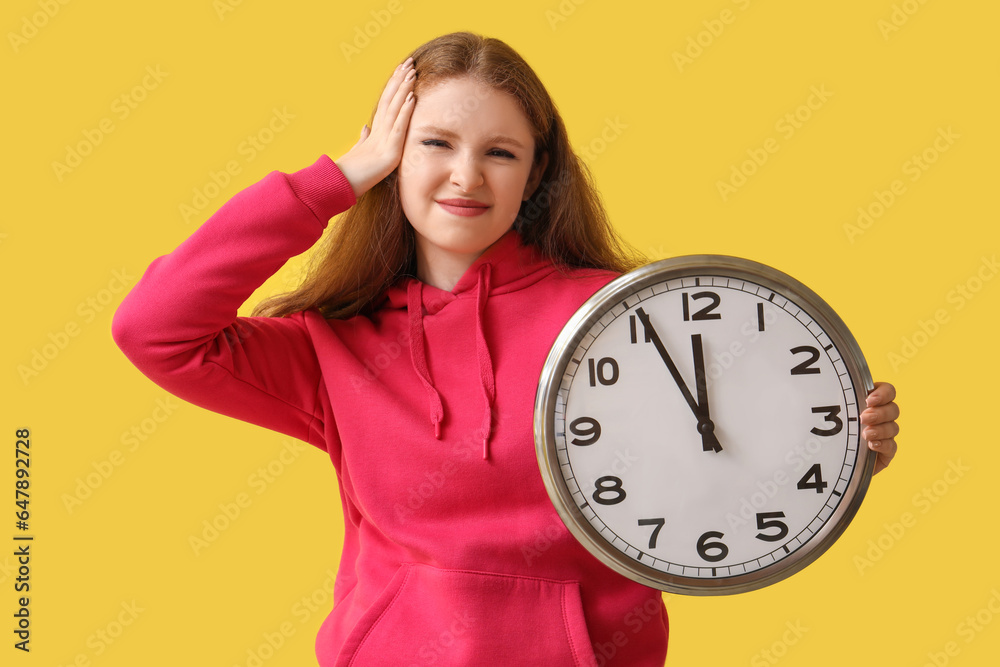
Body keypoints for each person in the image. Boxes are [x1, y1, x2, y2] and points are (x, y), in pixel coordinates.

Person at [112, 31, 900, 666]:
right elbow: (153, 328)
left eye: (500, 151)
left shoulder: (620, 314)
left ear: (536, 172)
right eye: (434, 143)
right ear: (394, 158)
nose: (465, 176)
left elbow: (714, 451)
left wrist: (836, 442)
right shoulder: (336, 346)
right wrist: (339, 177)